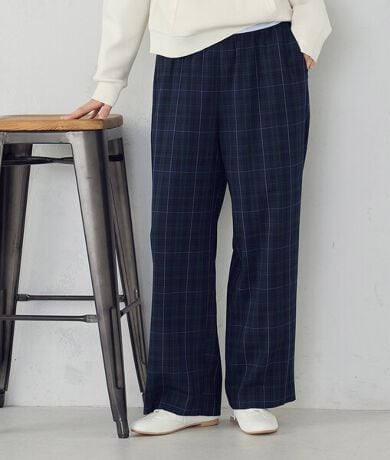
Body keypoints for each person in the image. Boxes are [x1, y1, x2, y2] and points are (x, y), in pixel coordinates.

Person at [62, 0, 332, 436]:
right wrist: (108, 81)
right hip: (182, 59)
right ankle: (183, 397)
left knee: (268, 228)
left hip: (269, 51)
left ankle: (255, 394)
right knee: (178, 231)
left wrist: (307, 39)